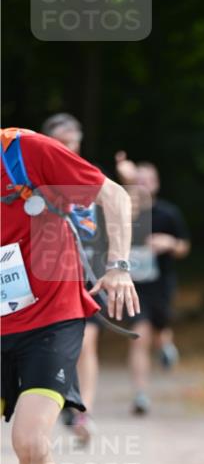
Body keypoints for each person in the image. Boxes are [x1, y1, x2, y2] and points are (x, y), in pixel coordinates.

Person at [1, 126, 138, 464]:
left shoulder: (23, 151)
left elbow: (115, 195)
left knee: (31, 442)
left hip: (49, 318)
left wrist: (119, 264)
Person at [42, 113, 106, 446]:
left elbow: (117, 219)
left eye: (73, 143)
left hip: (88, 272)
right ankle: (59, 401)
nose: (68, 149)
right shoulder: (35, 178)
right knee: (54, 346)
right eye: (61, 143)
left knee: (88, 342)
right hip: (50, 274)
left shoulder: (91, 176)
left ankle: (83, 412)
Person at [114, 154, 190, 415]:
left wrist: (169, 243)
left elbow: (184, 247)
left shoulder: (168, 213)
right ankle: (141, 394)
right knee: (139, 337)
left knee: (160, 330)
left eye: (148, 181)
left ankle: (166, 347)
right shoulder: (125, 213)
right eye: (139, 181)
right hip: (134, 287)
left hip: (161, 283)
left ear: (157, 184)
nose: (144, 185)